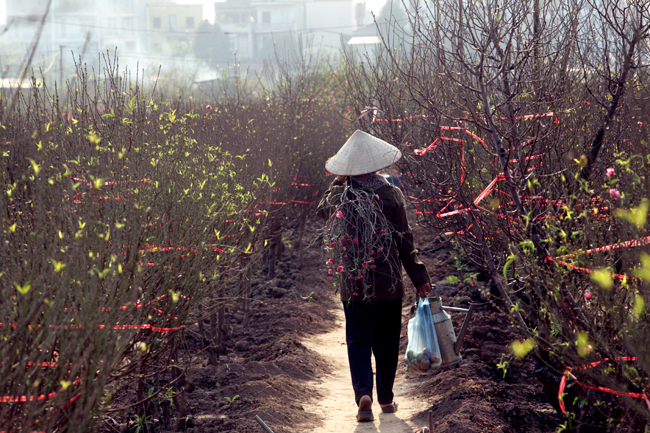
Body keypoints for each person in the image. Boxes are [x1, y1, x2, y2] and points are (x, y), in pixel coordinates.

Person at [317, 130, 432, 422]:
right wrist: (419, 277)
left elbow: (322, 212)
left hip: (353, 280)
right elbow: (405, 241)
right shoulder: (390, 194)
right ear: (376, 162)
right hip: (388, 281)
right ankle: (385, 397)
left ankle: (362, 396)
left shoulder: (343, 195)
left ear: (348, 168)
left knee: (358, 339)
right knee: (386, 339)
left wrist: (338, 182)